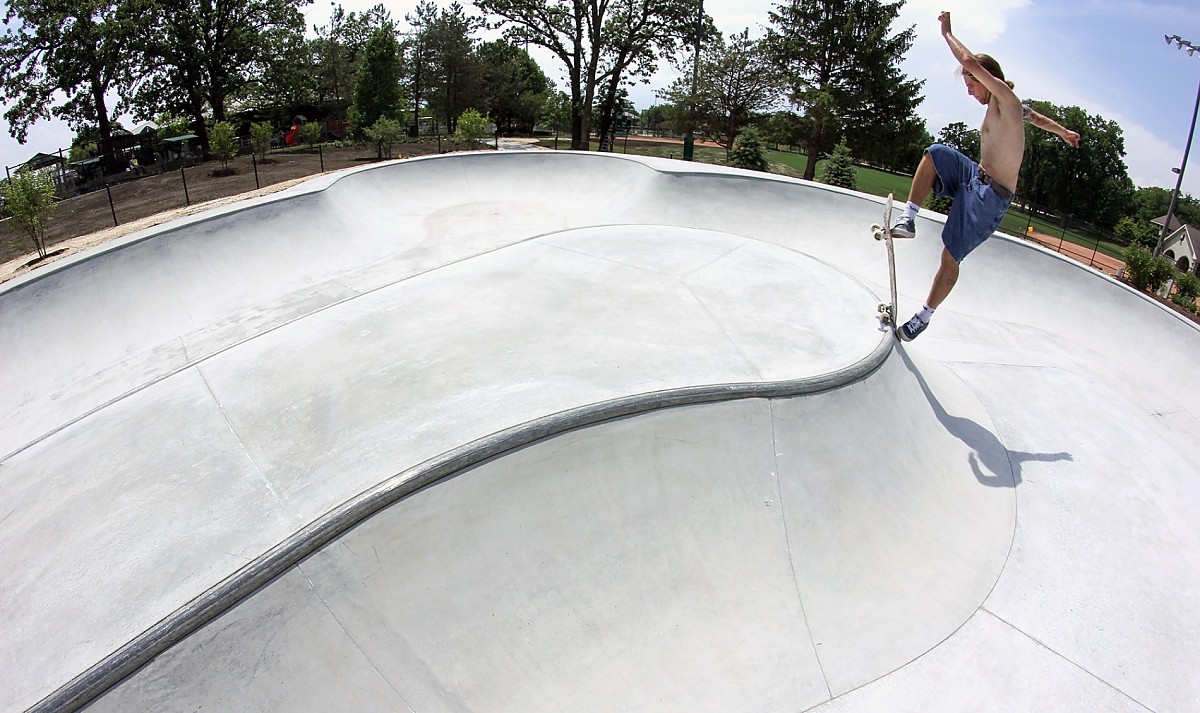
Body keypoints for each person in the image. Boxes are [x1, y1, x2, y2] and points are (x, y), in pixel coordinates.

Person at [890, 11, 1081, 341]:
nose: (969, 92)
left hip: (991, 197)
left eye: (970, 84)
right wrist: (1063, 131)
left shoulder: (1006, 98)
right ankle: (908, 219)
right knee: (935, 153)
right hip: (973, 176)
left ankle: (925, 315)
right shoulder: (1012, 109)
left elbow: (968, 59)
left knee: (951, 256)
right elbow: (1038, 119)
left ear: (986, 77)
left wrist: (947, 32)